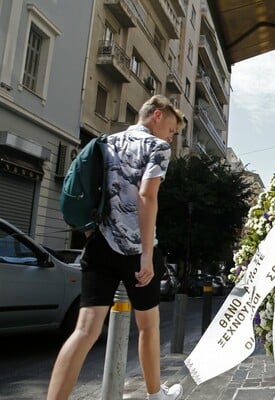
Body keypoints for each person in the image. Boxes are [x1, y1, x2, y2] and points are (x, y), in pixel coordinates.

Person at [47, 95, 185, 400]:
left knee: (84, 330)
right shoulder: (156, 147)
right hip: (137, 249)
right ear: (157, 115)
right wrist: (147, 255)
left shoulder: (106, 142)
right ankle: (155, 394)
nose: (171, 137)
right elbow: (148, 197)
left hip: (99, 245)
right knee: (148, 325)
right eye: (172, 129)